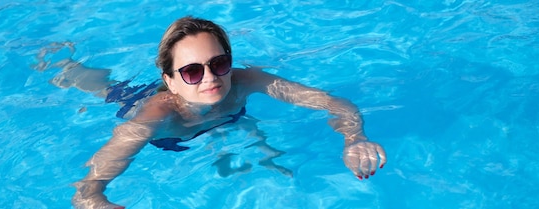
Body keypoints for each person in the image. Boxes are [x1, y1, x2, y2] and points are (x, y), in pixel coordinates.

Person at [54, 16, 386, 209]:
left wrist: (354, 137)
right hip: (172, 136)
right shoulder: (156, 115)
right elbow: (89, 184)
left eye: (219, 63)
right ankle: (64, 66)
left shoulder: (243, 81)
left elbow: (333, 102)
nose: (211, 77)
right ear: (169, 80)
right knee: (112, 90)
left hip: (228, 116)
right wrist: (97, 199)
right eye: (192, 71)